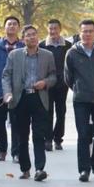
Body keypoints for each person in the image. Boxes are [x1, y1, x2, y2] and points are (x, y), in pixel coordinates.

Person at [2, 25, 56, 181]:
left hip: (39, 98)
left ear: (38, 36)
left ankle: (39, 169)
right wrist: (7, 93)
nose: (32, 37)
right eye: (28, 35)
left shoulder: (47, 55)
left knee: (39, 135)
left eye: (34, 34)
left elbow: (53, 76)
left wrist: (45, 83)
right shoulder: (14, 55)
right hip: (20, 99)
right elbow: (6, 75)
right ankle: (25, 169)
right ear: (23, 38)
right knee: (22, 136)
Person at [64, 19, 94, 182]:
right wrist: (79, 88)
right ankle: (84, 169)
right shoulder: (72, 53)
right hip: (81, 100)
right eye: (84, 31)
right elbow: (68, 77)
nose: (87, 34)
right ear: (80, 33)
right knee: (84, 134)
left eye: (90, 31)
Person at [0, 16, 25, 162]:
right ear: (4, 27)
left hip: (18, 91)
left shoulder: (23, 46)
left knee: (17, 123)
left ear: (18, 27)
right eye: (9, 24)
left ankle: (16, 152)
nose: (12, 26)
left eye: (15, 24)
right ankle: (2, 150)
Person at [39, 19, 72, 151]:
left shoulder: (68, 45)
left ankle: (58, 139)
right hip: (46, 84)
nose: (53, 31)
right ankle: (47, 139)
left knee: (61, 112)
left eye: (55, 28)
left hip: (62, 84)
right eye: (50, 28)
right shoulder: (42, 45)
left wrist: (68, 80)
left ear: (60, 29)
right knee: (47, 112)